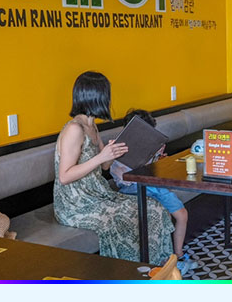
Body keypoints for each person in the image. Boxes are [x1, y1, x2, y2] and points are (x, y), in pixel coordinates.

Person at [54, 72, 174, 265]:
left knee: (153, 207)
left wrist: (113, 152)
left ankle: (160, 266)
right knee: (122, 217)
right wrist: (102, 156)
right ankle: (129, 270)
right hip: (76, 203)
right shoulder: (74, 129)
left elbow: (105, 165)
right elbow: (64, 176)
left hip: (98, 193)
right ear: (95, 96)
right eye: (106, 94)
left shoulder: (92, 127)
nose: (108, 100)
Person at [110, 109, 197, 274]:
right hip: (134, 189)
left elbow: (156, 170)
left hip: (155, 186)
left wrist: (158, 158)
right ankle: (165, 262)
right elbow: (120, 177)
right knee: (161, 215)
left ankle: (178, 255)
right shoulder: (118, 148)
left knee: (182, 214)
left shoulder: (150, 147)